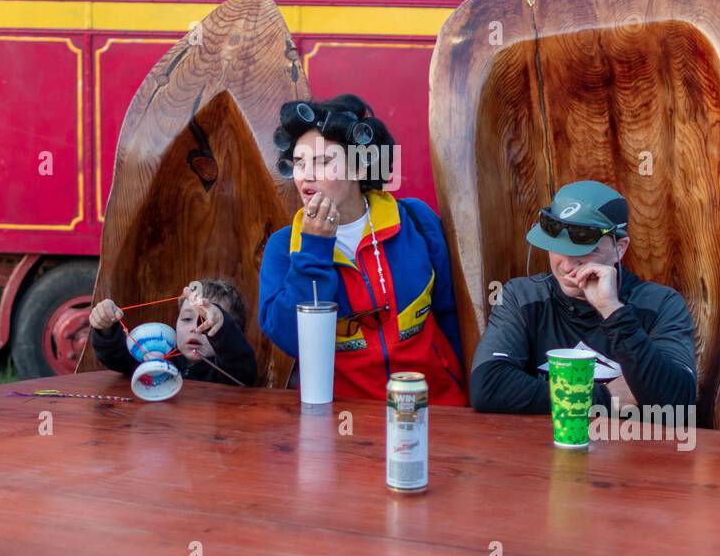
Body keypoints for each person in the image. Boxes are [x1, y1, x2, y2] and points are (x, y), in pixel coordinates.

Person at [258, 95, 466, 404]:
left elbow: (451, 314)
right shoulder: (284, 247)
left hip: (437, 410)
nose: (306, 175)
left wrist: (466, 396)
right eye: (299, 163)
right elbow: (292, 338)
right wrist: (315, 248)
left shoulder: (416, 221)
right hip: (342, 422)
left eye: (323, 161)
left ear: (358, 167)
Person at [470, 180, 697, 414]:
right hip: (545, 446)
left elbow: (677, 403)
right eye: (558, 247)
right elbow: (487, 387)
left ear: (620, 248)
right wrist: (606, 396)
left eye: (584, 250)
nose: (567, 265)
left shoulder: (660, 304)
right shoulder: (523, 296)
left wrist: (612, 311)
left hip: (632, 446)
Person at [88, 278, 259, 386]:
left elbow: (241, 365)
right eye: (186, 319)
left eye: (205, 321)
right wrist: (106, 327)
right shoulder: (158, 358)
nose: (195, 328)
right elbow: (116, 358)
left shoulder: (230, 370)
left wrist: (221, 325)